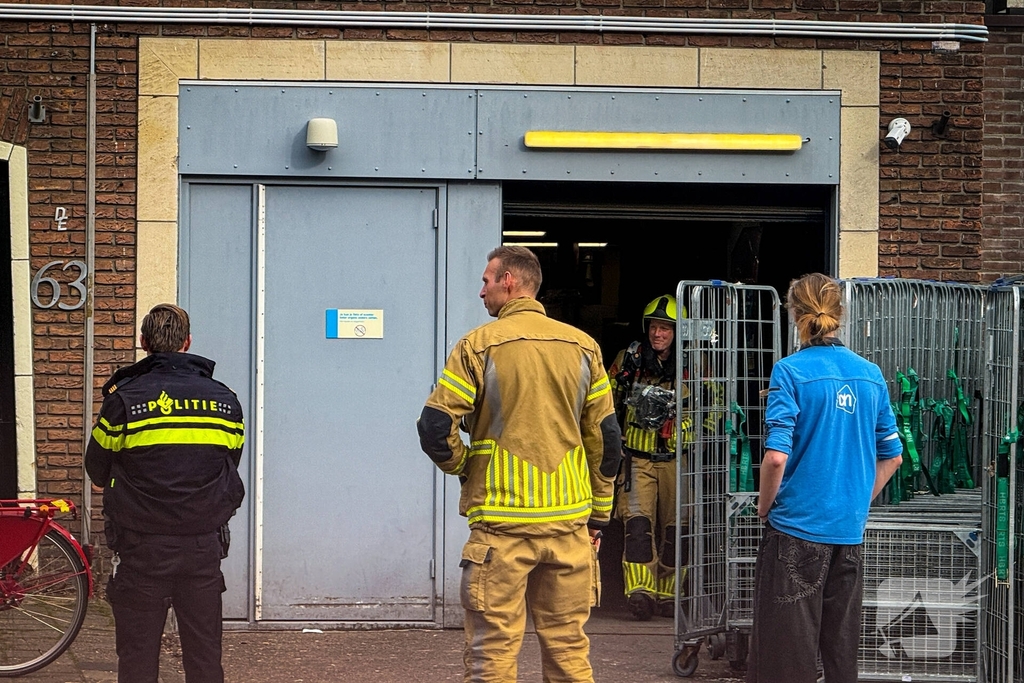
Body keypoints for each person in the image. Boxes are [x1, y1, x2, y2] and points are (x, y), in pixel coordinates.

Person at [417, 245, 621, 683]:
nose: (481, 291)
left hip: (501, 530)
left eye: (486, 281)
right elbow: (606, 443)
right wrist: (597, 518)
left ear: (509, 281)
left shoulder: (477, 346)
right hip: (568, 528)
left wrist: (465, 466)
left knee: (492, 653)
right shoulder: (585, 348)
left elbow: (435, 426)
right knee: (568, 648)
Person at [747, 273, 903, 683]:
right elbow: (894, 456)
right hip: (847, 532)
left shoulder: (790, 371)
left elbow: (777, 457)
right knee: (839, 649)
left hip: (796, 530)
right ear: (840, 315)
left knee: (786, 654)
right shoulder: (870, 374)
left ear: (795, 315)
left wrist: (764, 506)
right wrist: (855, 500)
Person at [85, 304, 245, 683]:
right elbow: (230, 463)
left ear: (143, 343)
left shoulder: (124, 400)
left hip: (142, 548)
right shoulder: (225, 402)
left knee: (138, 655)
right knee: (205, 656)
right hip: (203, 548)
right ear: (188, 343)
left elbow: (97, 466)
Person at [608, 294, 700, 621]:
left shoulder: (697, 365)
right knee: (637, 528)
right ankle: (640, 592)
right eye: (654, 327)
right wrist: (611, 441)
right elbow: (605, 404)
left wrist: (682, 430)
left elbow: (714, 412)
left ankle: (668, 595)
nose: (657, 334)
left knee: (678, 531)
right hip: (638, 459)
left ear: (679, 332)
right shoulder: (628, 360)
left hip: (680, 459)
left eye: (666, 328)